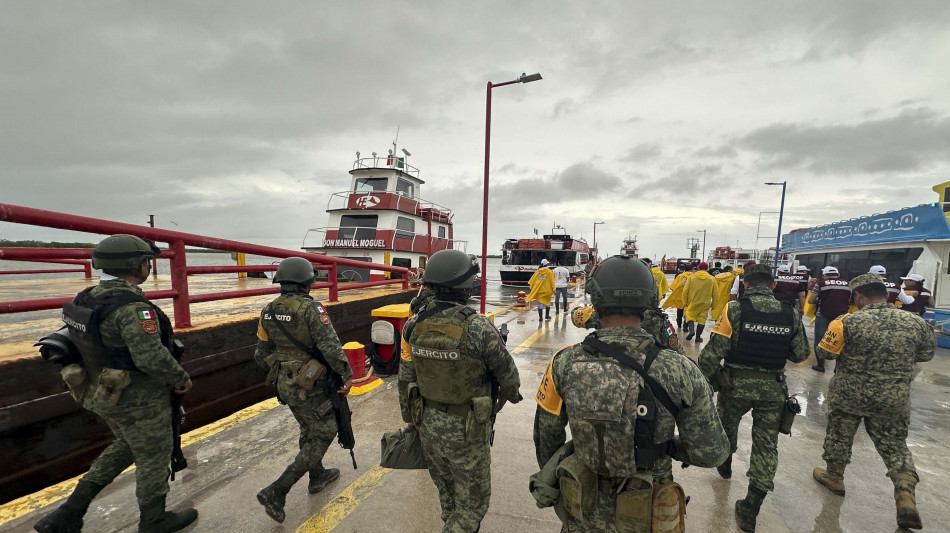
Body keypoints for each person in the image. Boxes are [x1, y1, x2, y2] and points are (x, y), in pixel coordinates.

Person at [533, 255, 728, 532]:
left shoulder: (563, 363)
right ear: (650, 300)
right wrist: (668, 447)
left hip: (583, 506)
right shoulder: (680, 369)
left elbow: (545, 439)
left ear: (596, 300)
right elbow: (712, 453)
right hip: (647, 508)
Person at [34, 235, 197, 533]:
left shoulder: (86, 297)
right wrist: (180, 378)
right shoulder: (133, 308)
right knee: (153, 456)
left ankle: (68, 513)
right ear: (135, 265)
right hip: (137, 399)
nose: (149, 266)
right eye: (146, 261)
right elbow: (150, 357)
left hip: (101, 392)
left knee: (126, 446)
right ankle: (154, 520)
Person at [398, 249, 522, 532]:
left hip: (427, 423)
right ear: (466, 287)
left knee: (449, 495)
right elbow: (509, 378)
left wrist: (410, 418)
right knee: (473, 505)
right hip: (468, 429)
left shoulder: (413, 325)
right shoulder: (478, 326)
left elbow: (406, 376)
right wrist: (505, 398)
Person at [813, 274, 935, 530]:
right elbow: (925, 355)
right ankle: (904, 494)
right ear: (887, 295)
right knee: (894, 444)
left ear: (858, 296)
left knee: (840, 436)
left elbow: (824, 352)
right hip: (893, 397)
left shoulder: (845, 322)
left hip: (849, 394)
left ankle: (835, 477)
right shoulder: (915, 323)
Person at [699, 264, 810, 532]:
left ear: (745, 284)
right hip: (773, 391)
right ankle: (750, 508)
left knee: (726, 428)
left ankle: (725, 463)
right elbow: (800, 354)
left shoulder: (734, 310)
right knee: (766, 446)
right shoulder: (790, 314)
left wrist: (702, 381)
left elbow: (714, 352)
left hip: (734, 386)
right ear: (772, 285)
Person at [254, 257, 353, 523]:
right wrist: (346, 375)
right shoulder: (313, 310)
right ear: (308, 282)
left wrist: (285, 371)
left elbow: (261, 354)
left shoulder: (268, 311)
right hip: (313, 385)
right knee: (324, 431)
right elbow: (331, 348)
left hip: (286, 385)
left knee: (308, 428)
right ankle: (278, 490)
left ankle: (317, 474)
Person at [807, 266, 851, 372]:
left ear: (824, 275)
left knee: (819, 340)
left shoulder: (821, 284)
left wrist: (820, 298)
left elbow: (811, 300)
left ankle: (820, 365)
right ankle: (837, 368)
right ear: (838, 275)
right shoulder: (848, 284)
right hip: (842, 317)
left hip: (823, 315)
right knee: (841, 341)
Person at [683, 262, 716, 342]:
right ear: (707, 268)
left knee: (690, 315)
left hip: (693, 301)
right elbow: (715, 293)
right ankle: (698, 337)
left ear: (698, 268)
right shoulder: (712, 279)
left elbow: (685, 291)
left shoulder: (692, 277)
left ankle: (691, 331)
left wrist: (685, 302)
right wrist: (714, 305)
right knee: (702, 319)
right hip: (705, 303)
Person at [661, 264, 694, 330]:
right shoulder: (694, 277)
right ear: (692, 269)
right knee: (688, 312)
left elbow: (673, 287)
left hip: (680, 298)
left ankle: (679, 324)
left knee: (679, 312)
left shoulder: (680, 276)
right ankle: (686, 326)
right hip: (691, 298)